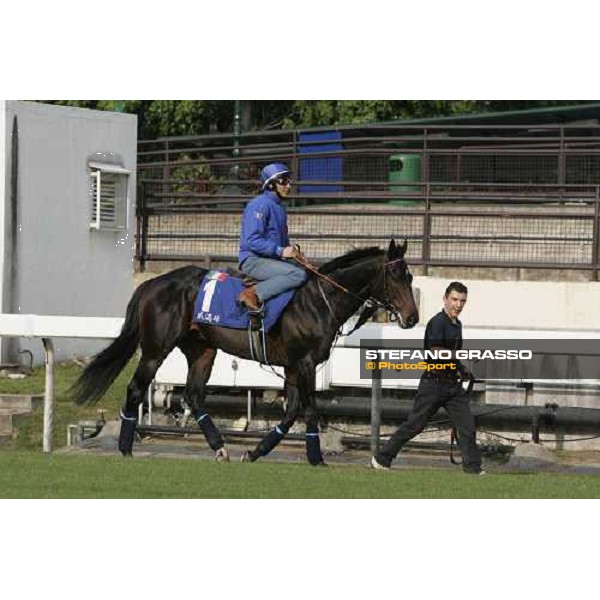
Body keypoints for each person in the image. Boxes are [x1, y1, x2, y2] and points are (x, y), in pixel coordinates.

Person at [371, 281, 485, 475]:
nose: (458, 305)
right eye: (454, 299)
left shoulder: (457, 325)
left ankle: (473, 468)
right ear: (445, 299)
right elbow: (435, 351)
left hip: (452, 385)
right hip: (433, 383)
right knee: (414, 425)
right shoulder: (437, 322)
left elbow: (452, 354)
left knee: (467, 425)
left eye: (462, 301)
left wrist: (462, 369)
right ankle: (382, 458)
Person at [237, 163, 308, 312]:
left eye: (289, 181)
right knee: (298, 274)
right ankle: (253, 293)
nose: (288, 185)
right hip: (253, 261)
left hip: (270, 259)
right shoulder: (259, 205)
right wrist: (281, 251)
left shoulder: (279, 207)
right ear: (270, 185)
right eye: (283, 181)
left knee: (308, 272)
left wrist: (293, 254)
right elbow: (252, 240)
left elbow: (282, 241)